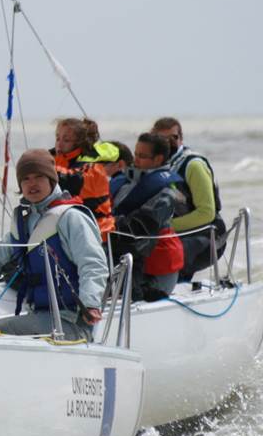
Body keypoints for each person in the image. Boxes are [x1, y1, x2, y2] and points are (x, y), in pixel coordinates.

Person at [0, 149, 108, 340]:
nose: (32, 183)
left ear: (52, 179)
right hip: (40, 314)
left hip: (71, 320)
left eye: (39, 177)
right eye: (25, 179)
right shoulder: (24, 220)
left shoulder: (71, 217)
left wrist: (90, 304)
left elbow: (93, 264)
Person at [110, 133, 184, 299]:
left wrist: (108, 225)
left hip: (155, 271)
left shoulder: (166, 192)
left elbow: (143, 225)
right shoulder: (124, 182)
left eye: (142, 156)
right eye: (135, 154)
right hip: (120, 259)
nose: (136, 159)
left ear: (158, 159)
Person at [151, 116, 225, 280]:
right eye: (163, 139)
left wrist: (166, 227)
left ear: (181, 138)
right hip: (170, 234)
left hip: (208, 234)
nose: (169, 142)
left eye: (174, 137)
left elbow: (206, 213)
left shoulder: (193, 165)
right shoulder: (154, 165)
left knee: (165, 257)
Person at [51, 117, 116, 242]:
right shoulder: (57, 161)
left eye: (66, 140)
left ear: (78, 143)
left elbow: (71, 181)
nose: (59, 144)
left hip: (96, 232)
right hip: (70, 229)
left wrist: (44, 169)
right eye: (57, 138)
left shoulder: (92, 168)